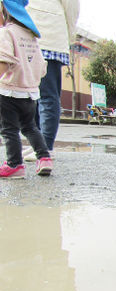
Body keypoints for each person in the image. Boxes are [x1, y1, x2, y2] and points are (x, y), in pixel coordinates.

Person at [0, 0, 53, 178]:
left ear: (5, 11)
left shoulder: (7, 33)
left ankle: (15, 165)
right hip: (30, 93)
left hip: (9, 91)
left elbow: (4, 60)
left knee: (9, 129)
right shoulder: (31, 36)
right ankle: (45, 157)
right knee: (30, 127)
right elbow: (42, 66)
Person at [23, 0, 80, 161]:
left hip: (49, 34)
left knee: (47, 95)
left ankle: (46, 147)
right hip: (25, 35)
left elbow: (72, 7)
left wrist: (69, 34)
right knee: (30, 95)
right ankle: (38, 144)